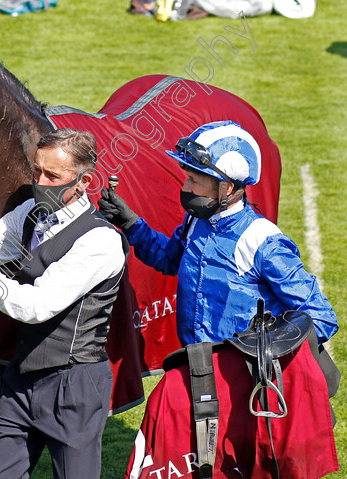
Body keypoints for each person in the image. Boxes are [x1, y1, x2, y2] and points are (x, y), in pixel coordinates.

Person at [0, 128, 128, 478]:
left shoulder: (100, 241)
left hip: (75, 386)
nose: (40, 182)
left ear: (84, 181)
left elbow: (35, 306)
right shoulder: (30, 213)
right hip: (20, 378)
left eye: (52, 175)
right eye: (36, 171)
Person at [98, 120, 338, 346]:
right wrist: (130, 223)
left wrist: (262, 351)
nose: (186, 188)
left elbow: (321, 318)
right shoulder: (196, 220)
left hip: (243, 379)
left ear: (228, 188)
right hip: (198, 365)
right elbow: (170, 260)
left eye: (194, 180)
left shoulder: (263, 241)